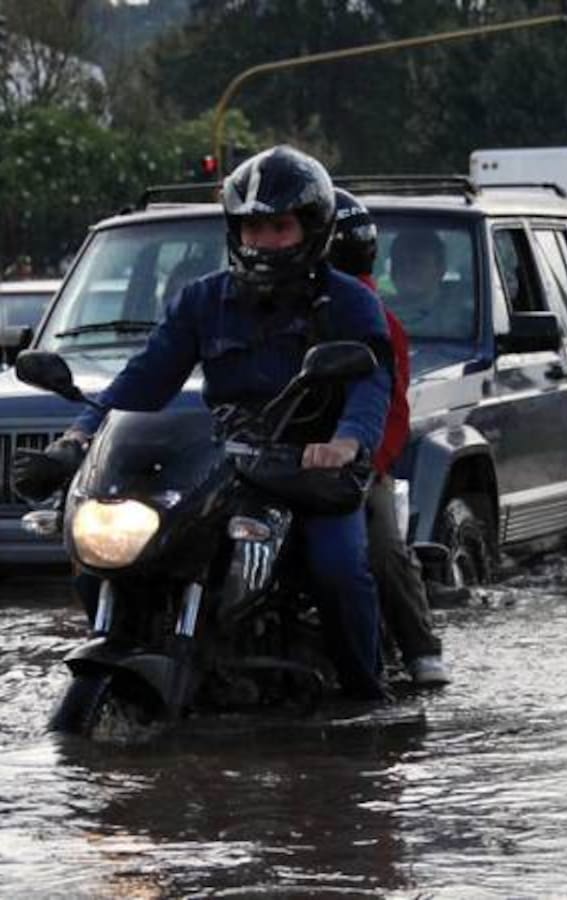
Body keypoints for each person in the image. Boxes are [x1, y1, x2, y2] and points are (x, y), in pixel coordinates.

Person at [14, 145, 395, 700]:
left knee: (337, 566)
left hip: (309, 468)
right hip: (230, 458)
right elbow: (143, 381)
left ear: (311, 231)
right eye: (251, 227)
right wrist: (80, 436)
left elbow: (371, 381)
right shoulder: (203, 301)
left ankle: (367, 697)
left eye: (279, 227)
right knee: (106, 554)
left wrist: (345, 441)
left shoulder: (347, 303)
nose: (262, 241)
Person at [328, 188, 449, 686]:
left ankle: (420, 648)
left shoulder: (374, 319)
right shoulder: (260, 312)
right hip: (272, 460)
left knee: (379, 548)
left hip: (355, 464)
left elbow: (391, 407)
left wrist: (366, 460)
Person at [388, 227, 473, 337]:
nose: (407, 268)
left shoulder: (465, 318)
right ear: (392, 272)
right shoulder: (375, 313)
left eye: (417, 262)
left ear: (440, 269)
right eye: (400, 262)